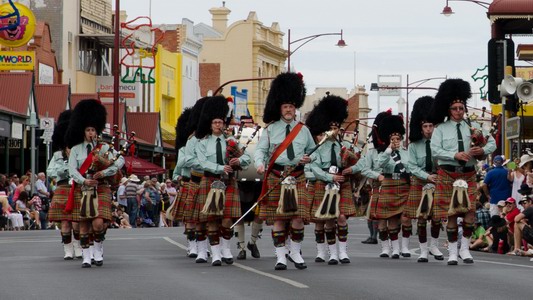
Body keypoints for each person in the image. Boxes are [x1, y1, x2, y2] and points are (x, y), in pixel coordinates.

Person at [430, 78, 496, 265]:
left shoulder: (474, 127)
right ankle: (452, 252)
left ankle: (465, 249)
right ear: (448, 110)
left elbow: (492, 142)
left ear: (465, 108)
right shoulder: (441, 129)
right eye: (454, 108)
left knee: (469, 213)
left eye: (461, 107)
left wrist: (482, 150)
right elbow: (435, 150)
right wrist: (454, 154)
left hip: (468, 174)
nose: (458, 111)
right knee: (451, 214)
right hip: (448, 173)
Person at [254, 72, 315, 270]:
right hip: (276, 176)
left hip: (297, 176)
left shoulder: (304, 130)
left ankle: (295, 253)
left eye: (291, 106)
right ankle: (280, 257)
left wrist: (308, 158)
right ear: (279, 108)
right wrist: (260, 164)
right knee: (278, 218)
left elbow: (312, 152)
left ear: (295, 108)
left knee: (298, 218)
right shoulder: (270, 129)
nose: (289, 110)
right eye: (285, 106)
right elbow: (261, 150)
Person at [193, 95, 251, 266]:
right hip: (210, 181)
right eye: (215, 122)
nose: (218, 125)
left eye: (220, 122)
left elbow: (247, 157)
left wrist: (238, 161)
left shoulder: (231, 142)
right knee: (211, 219)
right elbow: (203, 162)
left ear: (224, 124)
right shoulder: (203, 142)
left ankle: (226, 249)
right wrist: (220, 168)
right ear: (210, 125)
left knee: (227, 219)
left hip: (228, 182)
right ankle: (216, 253)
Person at [66, 99, 124, 268]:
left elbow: (119, 162)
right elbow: (72, 170)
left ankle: (97, 249)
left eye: (93, 129)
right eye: (88, 130)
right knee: (83, 225)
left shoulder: (104, 148)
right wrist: (84, 180)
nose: (90, 133)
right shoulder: (76, 149)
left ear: (96, 131)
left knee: (98, 223)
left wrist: (104, 173)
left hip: (101, 186)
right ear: (83, 131)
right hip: (83, 187)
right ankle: (86, 256)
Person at [306, 94, 355, 264]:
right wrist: (330, 177)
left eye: (337, 128)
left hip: (343, 184)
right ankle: (329, 253)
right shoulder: (319, 148)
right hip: (325, 183)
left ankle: (342, 252)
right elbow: (315, 168)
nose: (335, 131)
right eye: (332, 128)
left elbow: (360, 165)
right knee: (325, 219)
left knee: (341, 218)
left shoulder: (346, 146)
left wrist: (350, 163)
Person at [403, 96, 444, 262]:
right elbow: (411, 166)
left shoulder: (440, 143)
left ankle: (434, 245)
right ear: (420, 127)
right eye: (425, 126)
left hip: (438, 181)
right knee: (421, 218)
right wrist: (427, 176)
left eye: (431, 126)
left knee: (436, 217)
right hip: (420, 182)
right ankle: (423, 250)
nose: (428, 129)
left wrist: (440, 175)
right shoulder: (413, 146)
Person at [345, 110, 392, 251]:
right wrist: (351, 170)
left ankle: (390, 241)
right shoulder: (372, 152)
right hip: (376, 185)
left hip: (392, 185)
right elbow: (362, 165)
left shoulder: (397, 150)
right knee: (371, 214)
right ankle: (373, 236)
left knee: (391, 216)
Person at [47, 110, 83, 259]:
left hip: (78, 187)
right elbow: (50, 172)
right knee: (65, 222)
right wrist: (65, 167)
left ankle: (78, 246)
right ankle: (68, 250)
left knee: (77, 222)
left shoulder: (81, 154)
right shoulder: (57, 156)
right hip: (62, 188)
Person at [183, 97, 209, 262]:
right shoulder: (193, 139)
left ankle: (209, 245)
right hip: (197, 179)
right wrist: (209, 165)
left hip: (212, 181)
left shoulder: (216, 139)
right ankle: (193, 245)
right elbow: (188, 160)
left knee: (211, 216)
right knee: (194, 216)